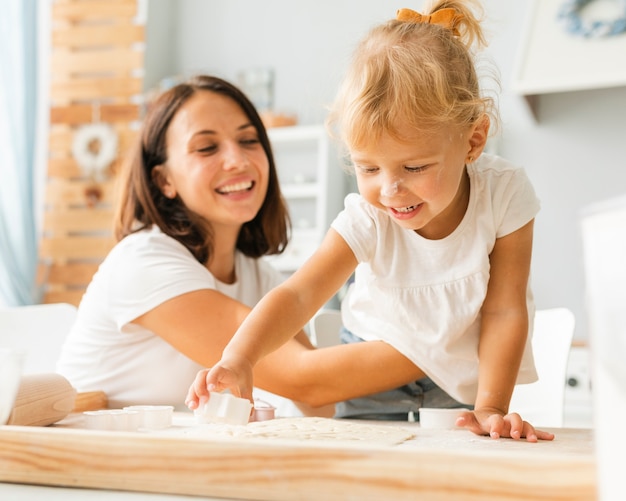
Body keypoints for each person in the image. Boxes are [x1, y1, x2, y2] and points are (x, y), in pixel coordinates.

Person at [186, 1, 555, 442]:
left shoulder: (504, 193)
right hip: (369, 373)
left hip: (464, 379)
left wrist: (492, 407)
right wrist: (239, 359)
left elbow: (505, 309)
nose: (390, 190)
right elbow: (299, 294)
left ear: (473, 140)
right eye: (368, 169)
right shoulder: (368, 215)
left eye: (415, 168)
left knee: (452, 469)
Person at [55, 75, 424, 417]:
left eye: (249, 140)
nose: (238, 159)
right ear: (164, 179)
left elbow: (319, 401)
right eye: (206, 147)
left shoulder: (256, 273)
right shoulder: (143, 263)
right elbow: (306, 380)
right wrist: (452, 338)